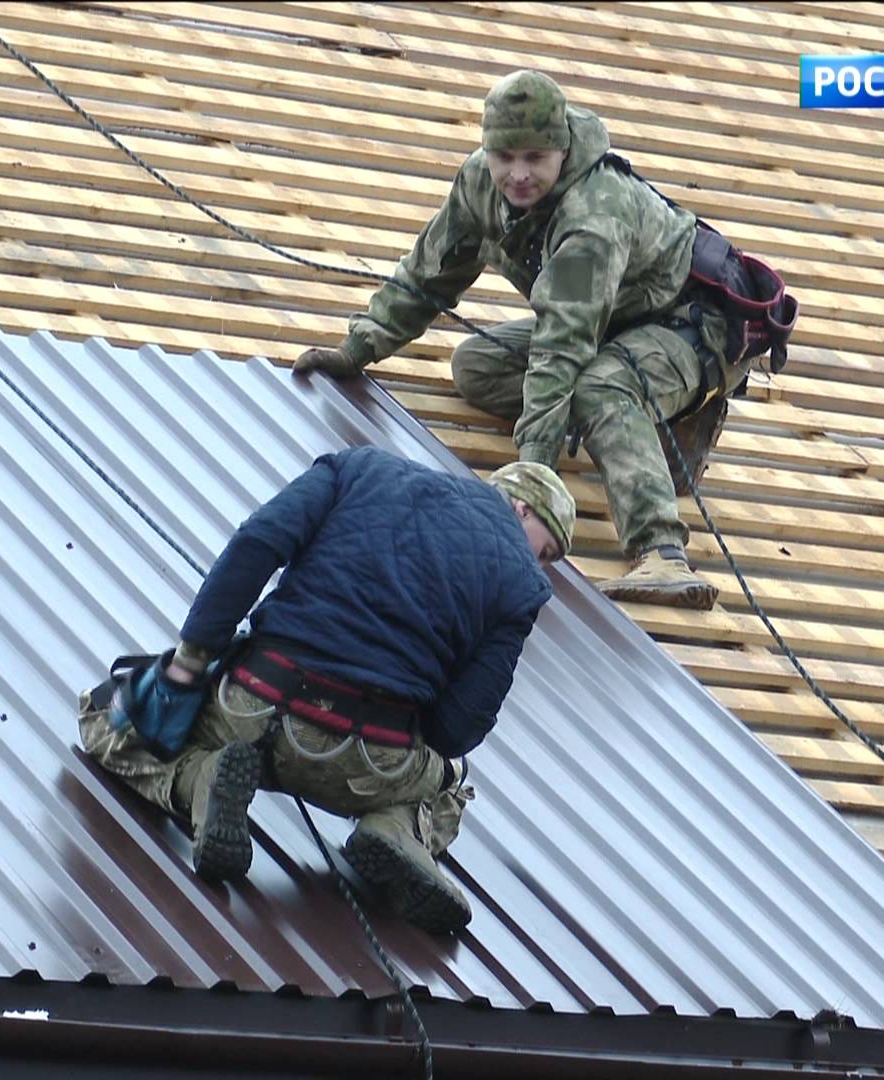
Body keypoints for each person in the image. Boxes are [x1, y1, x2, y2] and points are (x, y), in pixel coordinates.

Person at [294, 69, 768, 610]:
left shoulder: (593, 215)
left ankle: (661, 549)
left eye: (535, 160)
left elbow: (561, 349)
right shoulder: (479, 184)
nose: (518, 175)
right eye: (505, 157)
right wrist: (358, 349)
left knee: (600, 385)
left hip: (692, 325)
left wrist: (530, 481)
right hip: (612, 319)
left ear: (563, 153)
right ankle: (640, 432)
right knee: (477, 366)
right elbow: (429, 274)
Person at [78, 447, 574, 933]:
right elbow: (458, 727)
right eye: (546, 549)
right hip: (374, 760)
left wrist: (191, 661)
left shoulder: (357, 469)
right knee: (451, 783)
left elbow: (258, 542)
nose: (541, 563)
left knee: (104, 716)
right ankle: (397, 828)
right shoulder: (522, 582)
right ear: (520, 506)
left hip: (251, 708)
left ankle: (198, 780)